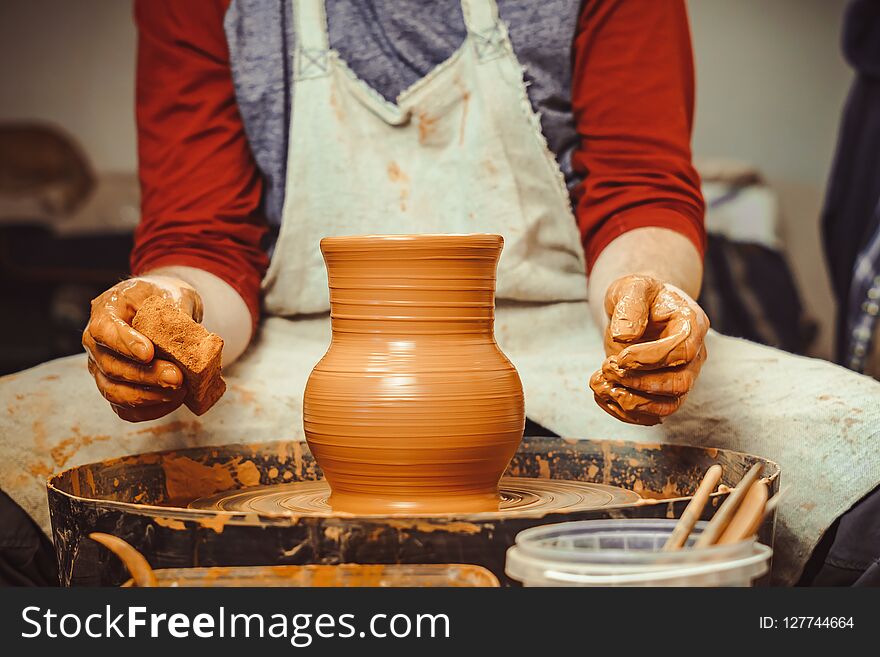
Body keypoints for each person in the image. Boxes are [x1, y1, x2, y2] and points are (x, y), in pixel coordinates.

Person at [0, 0, 877, 586]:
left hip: (578, 328)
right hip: (293, 347)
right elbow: (206, 237)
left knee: (863, 448)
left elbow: (637, 187)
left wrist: (648, 299)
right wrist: (163, 314)